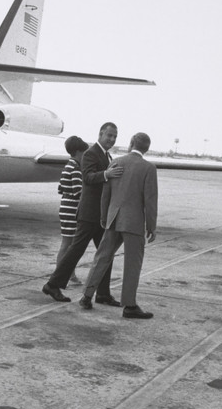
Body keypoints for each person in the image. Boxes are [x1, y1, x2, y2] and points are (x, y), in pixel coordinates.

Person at [41, 122, 124, 304]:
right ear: (100, 134)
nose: (112, 139)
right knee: (76, 251)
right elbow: (87, 177)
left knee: (105, 253)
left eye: (115, 137)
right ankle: (52, 285)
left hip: (100, 215)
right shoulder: (90, 153)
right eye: (109, 135)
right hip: (89, 214)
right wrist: (107, 174)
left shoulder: (106, 155)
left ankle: (102, 293)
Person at [79, 132, 158, 318]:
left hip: (113, 219)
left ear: (131, 143)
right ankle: (129, 306)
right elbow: (150, 200)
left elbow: (105, 193)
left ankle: (86, 295)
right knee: (132, 264)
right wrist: (151, 226)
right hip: (133, 222)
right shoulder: (148, 168)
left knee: (101, 258)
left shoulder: (115, 163)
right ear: (146, 149)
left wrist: (104, 216)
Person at [57, 136, 89, 286]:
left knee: (68, 244)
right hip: (72, 209)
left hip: (66, 206)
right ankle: (61, 275)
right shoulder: (75, 168)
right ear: (78, 152)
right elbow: (79, 191)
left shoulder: (68, 166)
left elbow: (61, 188)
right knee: (68, 245)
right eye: (83, 153)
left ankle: (69, 274)